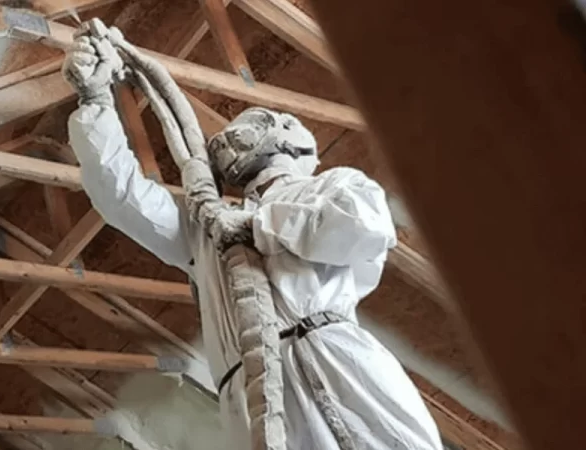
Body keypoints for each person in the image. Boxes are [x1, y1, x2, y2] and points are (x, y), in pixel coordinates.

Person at [63, 33, 443, 450]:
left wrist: (256, 225)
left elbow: (360, 226)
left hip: (335, 360)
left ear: (290, 139)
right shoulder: (209, 228)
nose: (232, 137)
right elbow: (124, 198)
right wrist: (95, 101)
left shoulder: (328, 187)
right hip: (248, 387)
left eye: (255, 122)